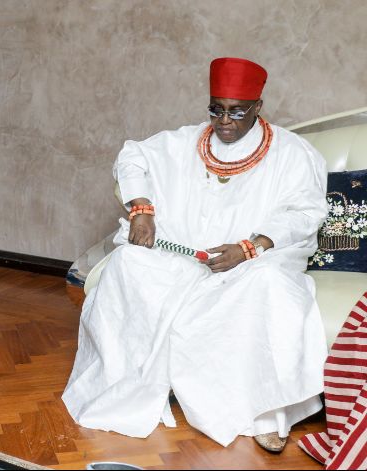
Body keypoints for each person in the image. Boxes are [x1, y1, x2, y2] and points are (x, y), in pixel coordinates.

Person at [62, 58, 329, 453]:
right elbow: (131, 156)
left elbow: (306, 213)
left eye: (237, 111)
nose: (224, 120)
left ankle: (265, 414)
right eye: (216, 108)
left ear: (258, 106)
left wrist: (249, 247)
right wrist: (142, 209)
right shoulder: (186, 139)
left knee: (271, 285)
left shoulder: (292, 152)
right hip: (182, 256)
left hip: (251, 261)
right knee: (127, 263)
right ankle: (131, 382)